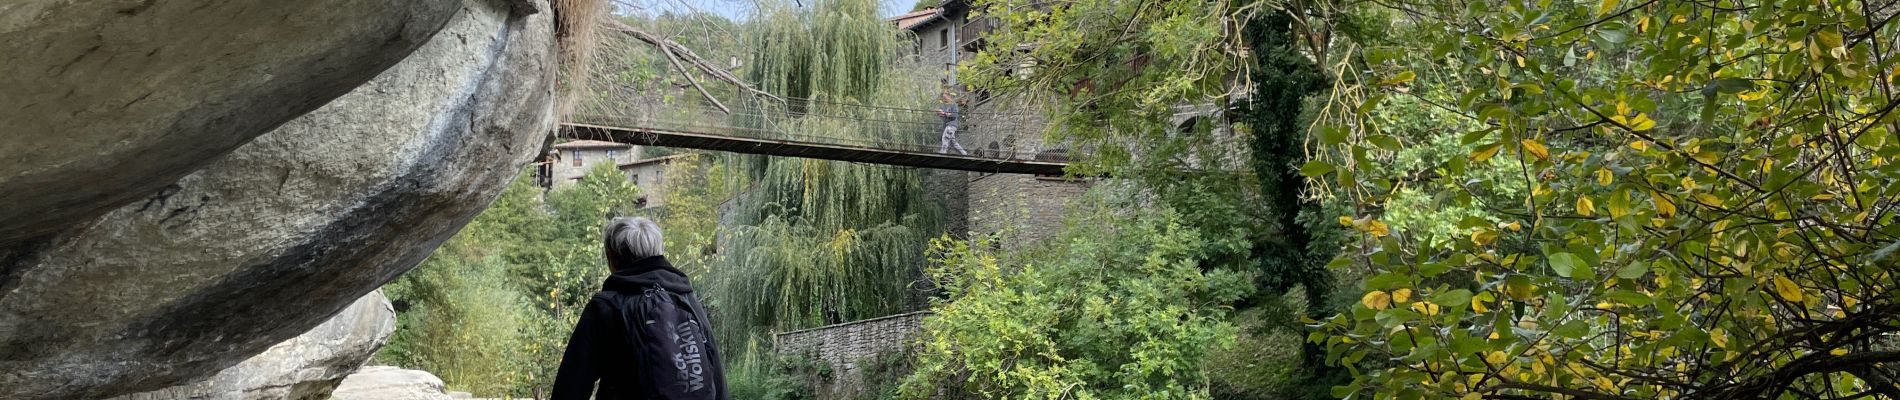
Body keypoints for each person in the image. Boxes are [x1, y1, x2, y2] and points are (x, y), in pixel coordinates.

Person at [553, 217, 728, 400]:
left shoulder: (606, 307)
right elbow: (716, 374)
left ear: (612, 257)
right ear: (659, 252)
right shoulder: (685, 297)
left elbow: (570, 387)